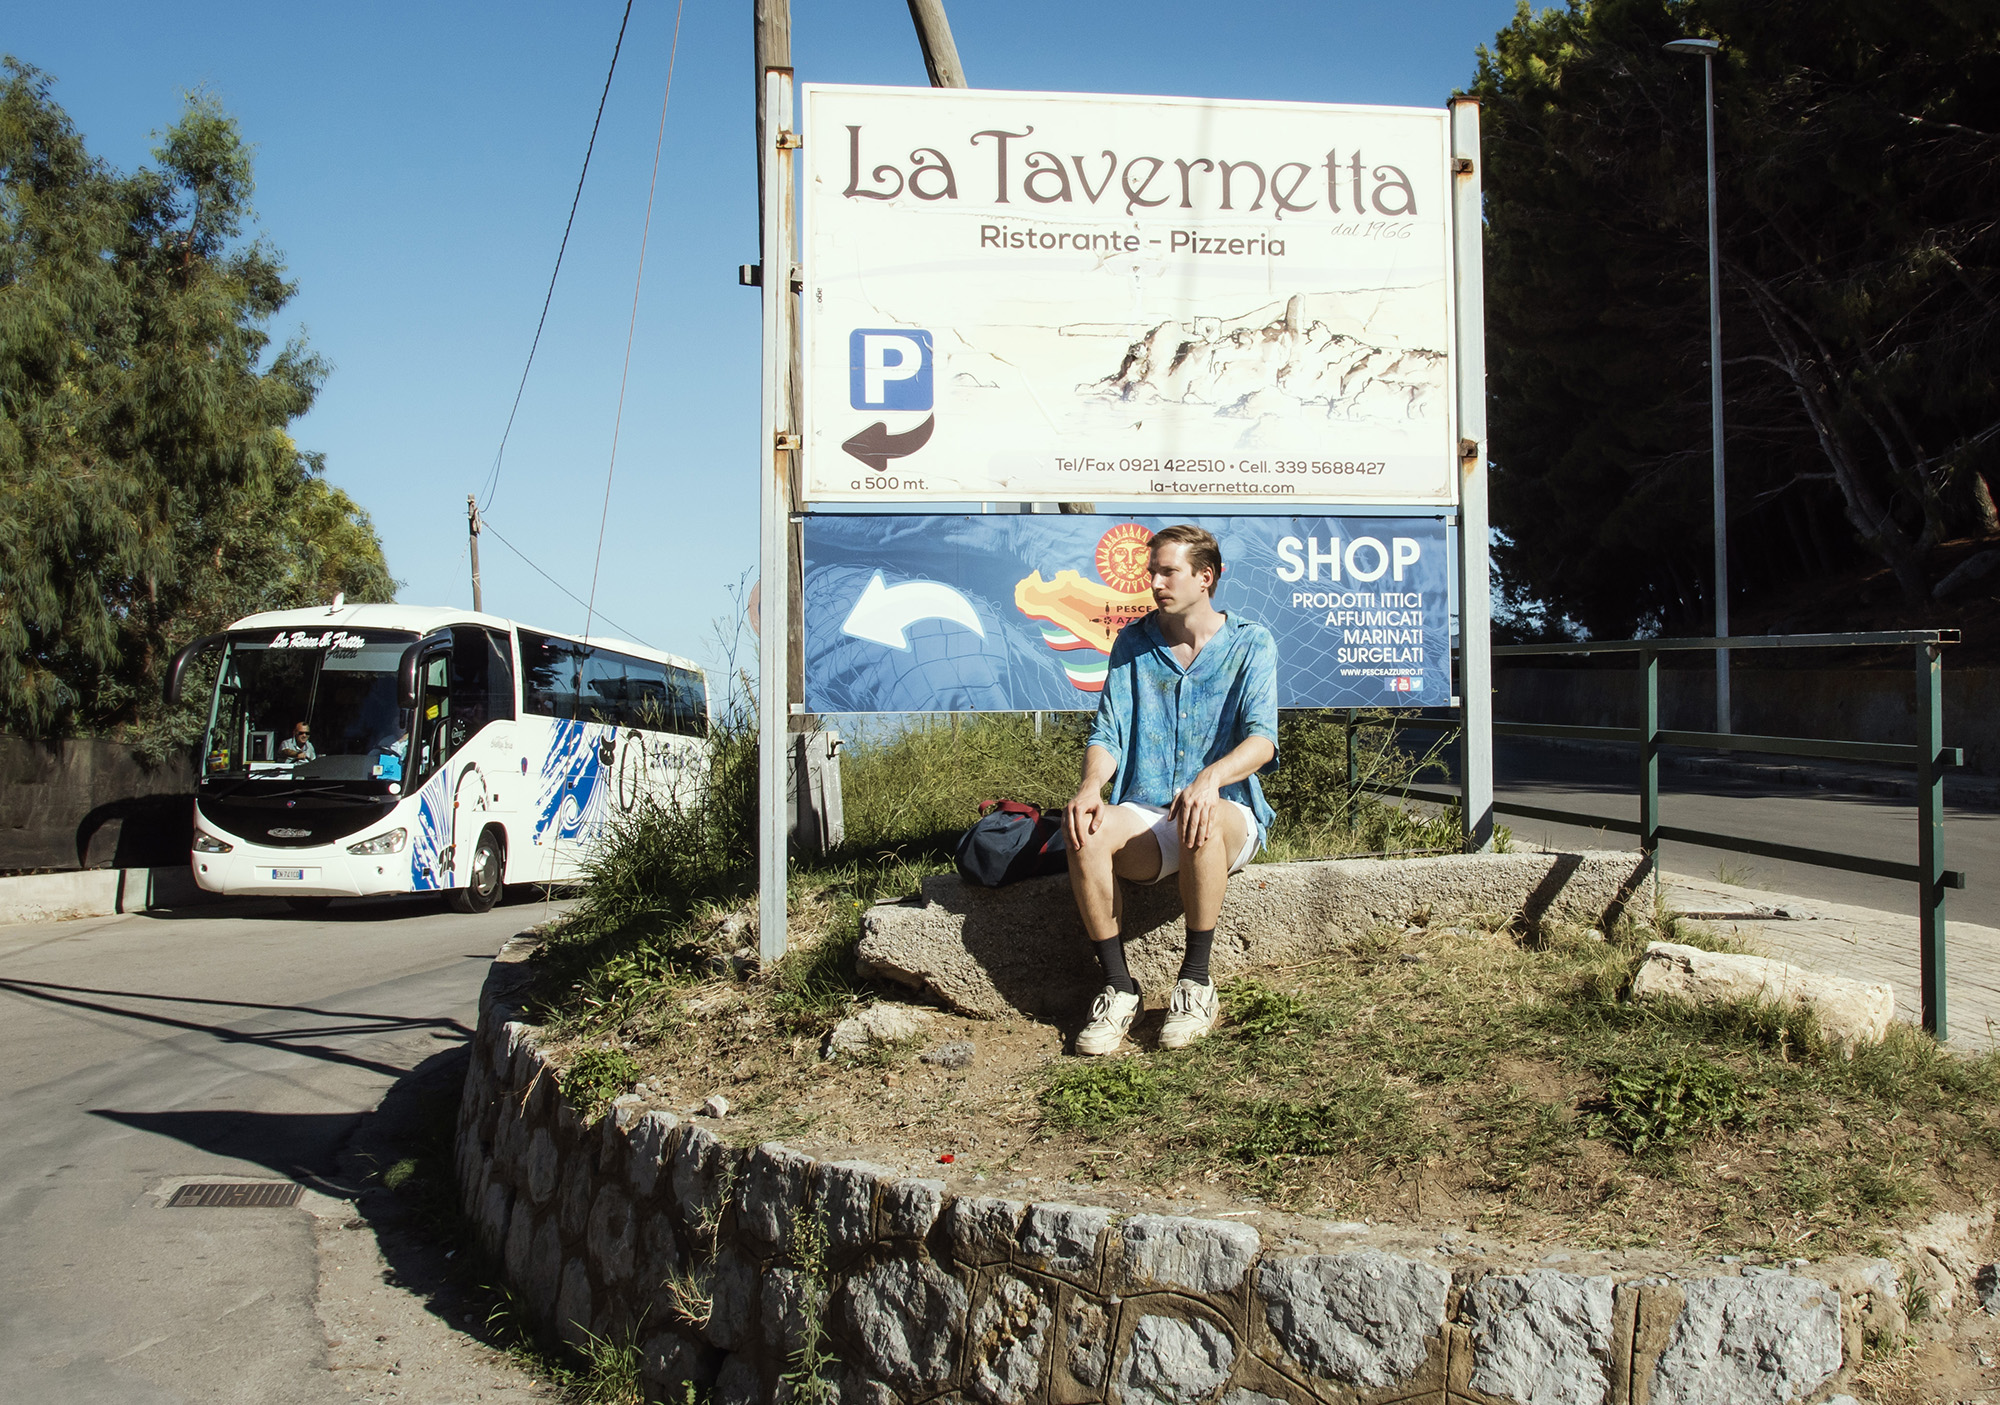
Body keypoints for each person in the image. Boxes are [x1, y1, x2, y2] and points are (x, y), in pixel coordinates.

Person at [1063, 524, 1279, 1056]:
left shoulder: (1251, 641)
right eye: (1151, 571)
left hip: (1227, 812)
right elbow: (1108, 734)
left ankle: (1196, 983)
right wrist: (1092, 785)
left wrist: (1211, 778)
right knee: (1085, 831)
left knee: (1198, 817)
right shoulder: (1133, 643)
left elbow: (1263, 740)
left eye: (1168, 571)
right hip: (1146, 811)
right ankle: (1118, 989)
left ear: (1206, 577)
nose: (1155, 581)